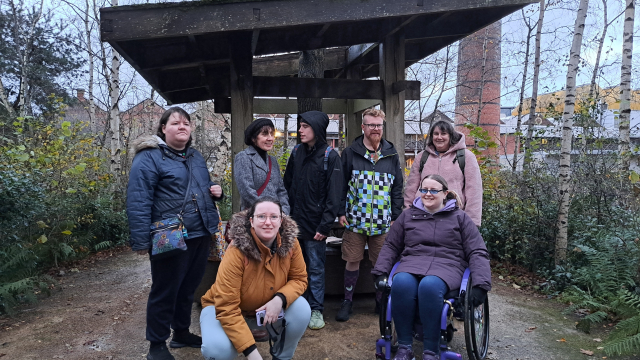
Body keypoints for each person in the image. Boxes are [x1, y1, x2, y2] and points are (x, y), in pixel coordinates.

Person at [127, 107, 223, 360]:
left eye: (186, 123)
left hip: (200, 232)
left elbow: (204, 187)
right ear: (163, 128)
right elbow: (138, 200)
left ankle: (181, 332)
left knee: (189, 287)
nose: (182, 127)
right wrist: (140, 240)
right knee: (165, 289)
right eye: (176, 123)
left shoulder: (195, 156)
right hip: (168, 235)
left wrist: (217, 192)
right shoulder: (148, 158)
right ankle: (156, 344)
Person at [372, 174, 491, 360]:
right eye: (424, 189)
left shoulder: (460, 218)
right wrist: (381, 272)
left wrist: (481, 285)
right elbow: (391, 245)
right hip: (413, 262)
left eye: (433, 190)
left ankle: (431, 350)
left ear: (445, 194)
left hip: (448, 265)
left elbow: (477, 251)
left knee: (430, 286)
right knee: (401, 283)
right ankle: (404, 347)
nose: (427, 194)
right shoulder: (408, 216)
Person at [200, 198, 310, 360]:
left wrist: (279, 299)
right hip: (222, 310)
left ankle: (282, 357)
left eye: (274, 217)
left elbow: (299, 279)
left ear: (281, 221)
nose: (268, 222)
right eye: (261, 217)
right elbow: (227, 307)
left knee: (302, 309)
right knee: (219, 350)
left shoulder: (292, 244)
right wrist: (252, 353)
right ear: (251, 221)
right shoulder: (236, 251)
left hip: (266, 311)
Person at [335, 108, 403, 322]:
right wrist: (339, 211)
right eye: (371, 125)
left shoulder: (391, 154)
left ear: (383, 127)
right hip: (355, 220)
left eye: (379, 125)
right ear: (363, 127)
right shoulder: (350, 152)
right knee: (351, 260)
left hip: (383, 222)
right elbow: (340, 184)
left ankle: (380, 301)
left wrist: (395, 215)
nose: (375, 129)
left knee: (381, 263)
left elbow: (397, 187)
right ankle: (347, 301)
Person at [283, 110, 343, 330]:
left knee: (316, 268)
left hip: (316, 226)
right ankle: (296, 306)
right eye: (300, 126)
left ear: (317, 129)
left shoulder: (330, 156)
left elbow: (334, 195)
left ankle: (316, 309)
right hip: (294, 223)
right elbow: (286, 185)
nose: (300, 130)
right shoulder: (296, 152)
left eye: (305, 126)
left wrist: (325, 225)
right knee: (293, 269)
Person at [403, 120, 483, 226]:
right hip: (422, 216)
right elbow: (411, 188)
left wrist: (472, 222)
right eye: (436, 134)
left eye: (443, 134)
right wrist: (407, 214)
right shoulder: (422, 157)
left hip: (453, 218)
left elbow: (474, 191)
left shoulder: (466, 157)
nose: (439, 137)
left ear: (451, 136)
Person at [234, 118, 290, 214]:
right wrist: (266, 212)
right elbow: (247, 191)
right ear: (253, 138)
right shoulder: (244, 157)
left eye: (272, 134)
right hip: (255, 217)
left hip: (276, 218)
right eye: (264, 134)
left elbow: (281, 190)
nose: (270, 138)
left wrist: (283, 211)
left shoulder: (272, 160)